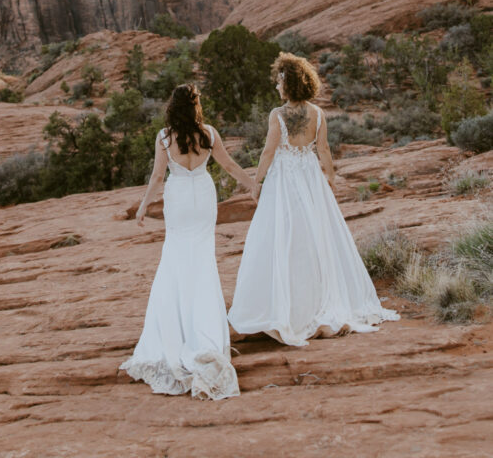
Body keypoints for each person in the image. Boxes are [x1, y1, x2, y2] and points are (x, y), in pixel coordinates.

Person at [228, 52, 398, 347]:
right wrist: (329, 178)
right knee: (316, 238)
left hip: (284, 181)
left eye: (280, 81)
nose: (277, 86)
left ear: (290, 84)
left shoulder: (277, 115)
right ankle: (318, 302)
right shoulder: (318, 114)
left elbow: (268, 152)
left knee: (284, 238)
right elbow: (324, 149)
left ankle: (289, 308)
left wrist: (256, 181)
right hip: (309, 178)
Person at [120, 83, 258, 399]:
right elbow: (229, 165)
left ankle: (177, 332)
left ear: (172, 107)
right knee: (202, 261)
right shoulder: (208, 133)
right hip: (203, 197)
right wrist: (252, 185)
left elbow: (157, 177)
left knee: (176, 258)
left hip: (179, 199)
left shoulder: (165, 138)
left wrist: (143, 206)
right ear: (196, 105)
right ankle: (204, 331)